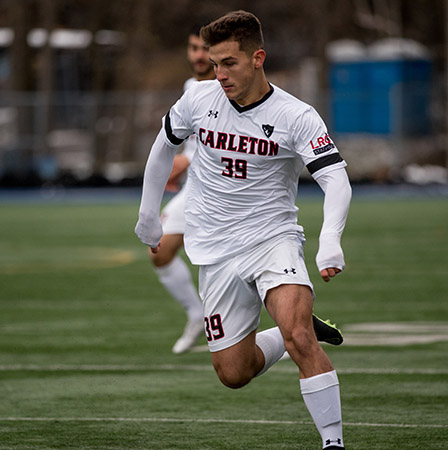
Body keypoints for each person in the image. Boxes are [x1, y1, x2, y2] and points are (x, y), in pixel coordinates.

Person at [135, 11, 350, 450]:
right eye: (214, 63)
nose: (220, 74)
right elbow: (162, 148)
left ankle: (333, 443)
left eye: (229, 62)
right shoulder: (199, 99)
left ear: (258, 57)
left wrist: (330, 240)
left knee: (299, 335)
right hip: (214, 248)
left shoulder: (296, 115)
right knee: (234, 373)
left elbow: (335, 179)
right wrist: (148, 213)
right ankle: (288, 332)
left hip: (273, 239)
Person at [149, 27, 215, 354]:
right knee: (160, 251)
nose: (199, 55)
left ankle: (292, 323)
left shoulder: (229, 87)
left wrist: (184, 162)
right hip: (195, 190)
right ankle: (196, 313)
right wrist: (179, 164)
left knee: (237, 264)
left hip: (224, 190)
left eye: (205, 48)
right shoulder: (191, 87)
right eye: (193, 48)